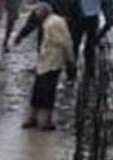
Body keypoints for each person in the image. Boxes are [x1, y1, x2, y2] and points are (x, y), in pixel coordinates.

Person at [21, 3, 74, 131]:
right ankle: (41, 120)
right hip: (49, 61)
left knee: (43, 91)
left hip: (51, 61)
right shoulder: (54, 21)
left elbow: (64, 43)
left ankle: (40, 120)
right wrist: (70, 61)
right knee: (44, 91)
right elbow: (67, 43)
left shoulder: (52, 23)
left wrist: (70, 60)